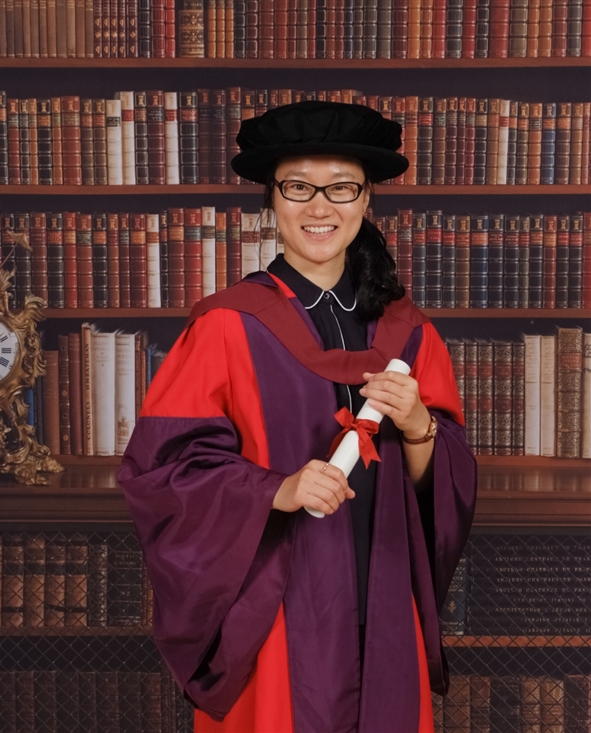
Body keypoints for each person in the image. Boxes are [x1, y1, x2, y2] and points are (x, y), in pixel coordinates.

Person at [119, 101, 477, 733]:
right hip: (277, 604)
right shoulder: (226, 326)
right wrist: (277, 489)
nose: (320, 206)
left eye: (341, 188)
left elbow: (443, 486)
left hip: (384, 593)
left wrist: (419, 425)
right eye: (299, 187)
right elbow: (163, 471)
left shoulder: (410, 333)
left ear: (366, 199)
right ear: (272, 199)